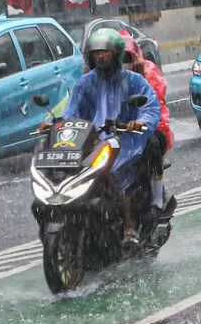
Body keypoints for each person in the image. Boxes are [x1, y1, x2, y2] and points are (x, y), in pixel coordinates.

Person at [64, 28, 160, 249]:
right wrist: (55, 125)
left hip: (125, 138)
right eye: (96, 53)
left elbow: (150, 107)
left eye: (105, 52)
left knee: (112, 171)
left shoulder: (133, 80)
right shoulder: (84, 83)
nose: (100, 57)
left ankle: (129, 227)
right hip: (93, 140)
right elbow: (71, 113)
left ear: (115, 53)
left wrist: (139, 122)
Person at [118, 30, 174, 213]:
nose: (123, 63)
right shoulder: (104, 77)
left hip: (152, 127)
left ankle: (157, 199)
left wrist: (141, 120)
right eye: (119, 58)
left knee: (152, 144)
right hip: (117, 128)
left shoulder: (149, 71)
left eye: (127, 57)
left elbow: (154, 101)